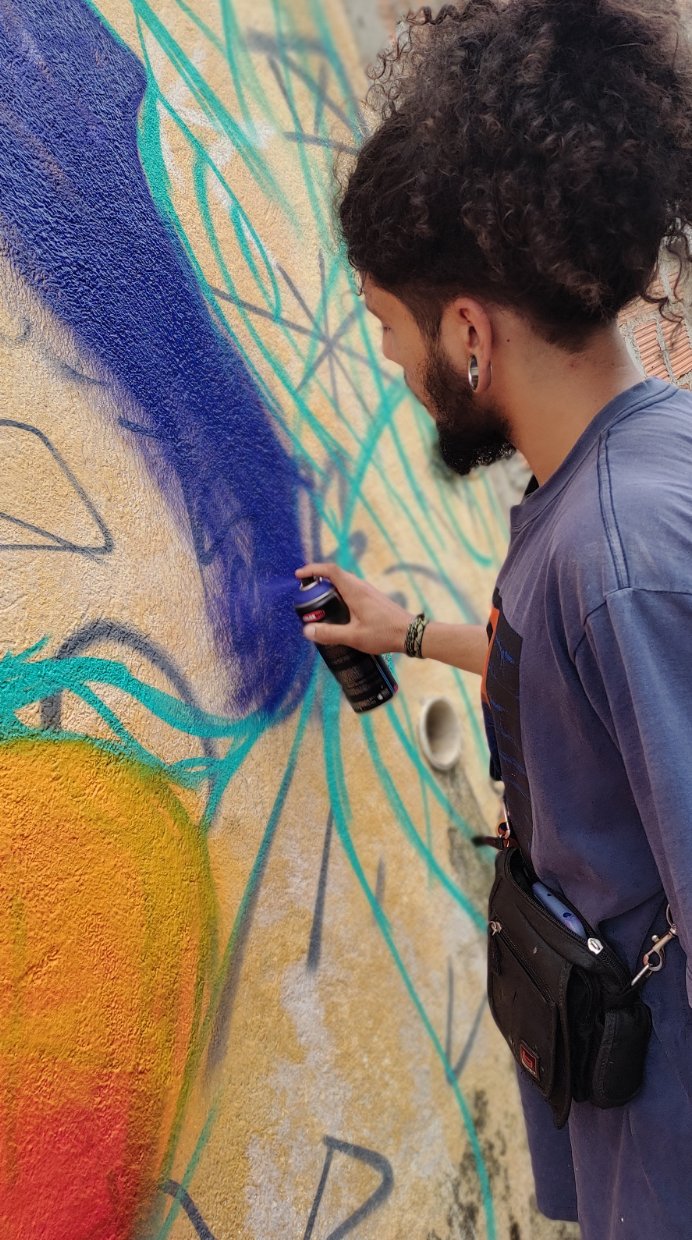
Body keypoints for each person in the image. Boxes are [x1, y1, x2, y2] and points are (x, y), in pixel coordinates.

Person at [296, 2, 692, 1236]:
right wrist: (410, 633)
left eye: (386, 322)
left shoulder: (615, 555)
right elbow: (586, 686)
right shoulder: (632, 467)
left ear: (465, 330)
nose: (387, 356)